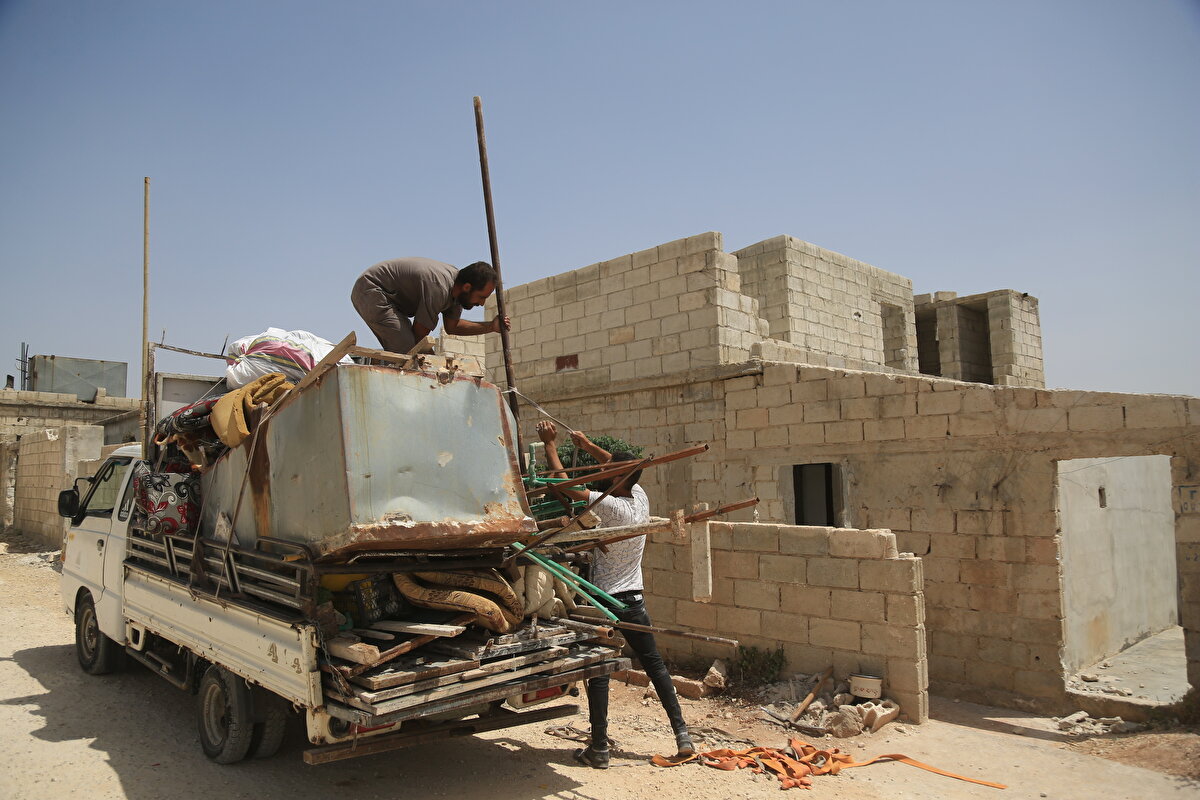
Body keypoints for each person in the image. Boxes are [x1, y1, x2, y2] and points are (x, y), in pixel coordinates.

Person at [535, 420, 694, 769]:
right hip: (634, 598)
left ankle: (599, 748)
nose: (604, 473)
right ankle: (683, 735)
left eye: (609, 471)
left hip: (604, 599)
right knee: (655, 667)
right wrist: (588, 444)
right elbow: (621, 466)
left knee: (599, 671)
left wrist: (550, 444)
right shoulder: (639, 496)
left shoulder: (609, 505)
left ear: (616, 479)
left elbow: (567, 486)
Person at [350, 257, 510, 355]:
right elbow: (420, 336)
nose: (481, 304)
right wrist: (436, 366)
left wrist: (491, 326)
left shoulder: (457, 294)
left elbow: (452, 327)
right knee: (407, 347)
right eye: (481, 297)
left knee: (409, 350)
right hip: (371, 289)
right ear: (467, 287)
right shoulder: (439, 288)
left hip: (388, 297)